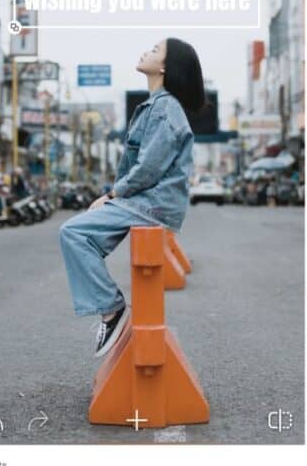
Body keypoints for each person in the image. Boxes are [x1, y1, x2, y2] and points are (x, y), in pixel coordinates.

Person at [59, 38, 204, 358]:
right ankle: (109, 307)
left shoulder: (165, 107)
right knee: (84, 237)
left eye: (154, 50)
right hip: (146, 202)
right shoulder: (157, 104)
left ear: (165, 66)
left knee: (73, 231)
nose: (145, 52)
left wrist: (112, 195)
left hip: (150, 204)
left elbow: (149, 167)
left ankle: (111, 310)